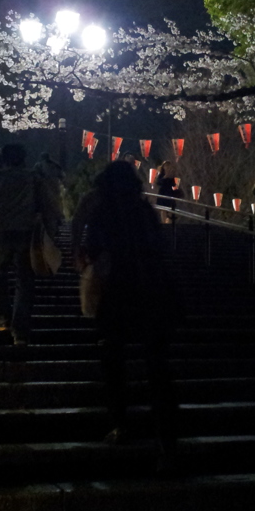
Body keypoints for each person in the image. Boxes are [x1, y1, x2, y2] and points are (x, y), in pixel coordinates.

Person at [71, 162, 180, 470]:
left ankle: (121, 423)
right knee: (158, 369)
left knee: (114, 360)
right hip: (153, 293)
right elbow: (159, 248)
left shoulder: (104, 211)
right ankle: (166, 442)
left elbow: (95, 247)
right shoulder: (144, 210)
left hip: (118, 292)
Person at [0, 143, 61, 345]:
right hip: (25, 232)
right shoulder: (33, 177)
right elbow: (47, 206)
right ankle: (20, 330)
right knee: (25, 281)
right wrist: (51, 232)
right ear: (23, 158)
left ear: (4, 158)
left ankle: (2, 319)